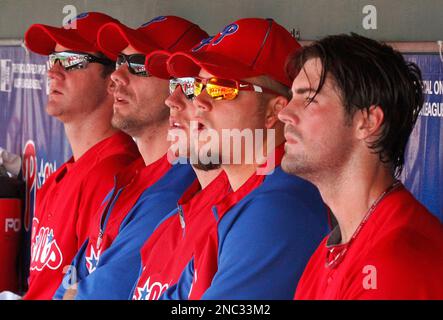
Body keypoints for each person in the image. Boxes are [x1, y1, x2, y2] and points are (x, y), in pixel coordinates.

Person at [152, 18, 330, 300]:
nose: (198, 101)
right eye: (198, 86)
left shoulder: (278, 208)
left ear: (275, 112)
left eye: (221, 88)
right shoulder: (240, 197)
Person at [278, 33, 443, 299]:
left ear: (367, 122)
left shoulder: (395, 261)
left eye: (308, 99)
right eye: (292, 96)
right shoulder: (334, 247)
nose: (284, 113)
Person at [53, 16, 207, 300]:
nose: (117, 76)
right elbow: (64, 289)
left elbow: (98, 296)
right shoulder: (129, 177)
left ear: (183, 83)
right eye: (120, 62)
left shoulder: (178, 186)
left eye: (139, 65)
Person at [23, 12, 141, 300]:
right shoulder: (60, 177)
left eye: (73, 61)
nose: (54, 71)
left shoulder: (113, 173)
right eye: (53, 59)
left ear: (114, 81)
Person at [130, 43, 231, 300]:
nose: (171, 101)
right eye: (173, 85)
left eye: (190, 88)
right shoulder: (171, 222)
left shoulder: (238, 218)